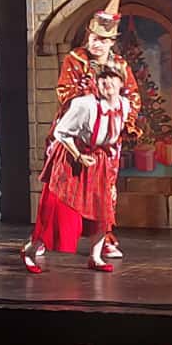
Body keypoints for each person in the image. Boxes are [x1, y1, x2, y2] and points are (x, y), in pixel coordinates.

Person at [45, 0, 141, 258]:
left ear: (112, 42)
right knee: (64, 188)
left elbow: (132, 96)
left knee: (104, 190)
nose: (96, 44)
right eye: (93, 38)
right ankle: (47, 238)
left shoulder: (119, 65)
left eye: (103, 40)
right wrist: (93, 96)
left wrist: (125, 121)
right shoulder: (75, 59)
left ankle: (105, 238)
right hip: (76, 137)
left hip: (106, 140)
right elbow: (66, 92)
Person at [22, 64, 131, 273]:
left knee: (102, 210)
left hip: (99, 161)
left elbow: (114, 141)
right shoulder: (85, 105)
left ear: (121, 83)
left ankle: (95, 257)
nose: (107, 83)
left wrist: (111, 173)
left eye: (112, 78)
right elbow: (61, 132)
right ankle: (29, 251)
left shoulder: (123, 106)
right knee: (57, 212)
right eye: (103, 79)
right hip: (72, 159)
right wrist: (78, 156)